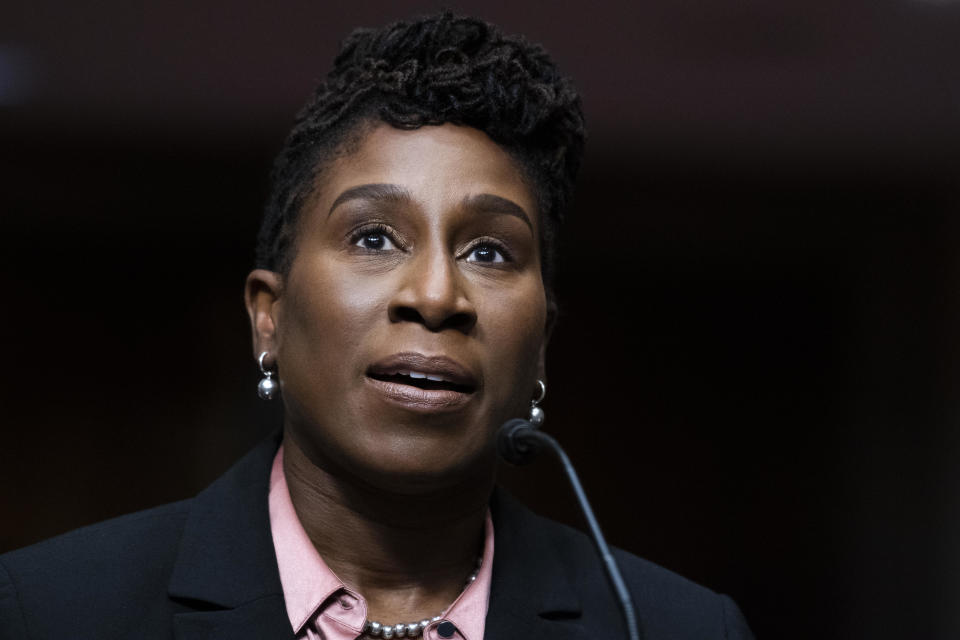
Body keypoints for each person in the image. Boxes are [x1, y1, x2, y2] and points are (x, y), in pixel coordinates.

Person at [0, 12, 753, 640]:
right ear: (270, 317)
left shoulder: (673, 626)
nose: (435, 295)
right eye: (373, 238)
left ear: (542, 346)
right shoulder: (52, 610)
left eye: (490, 251)